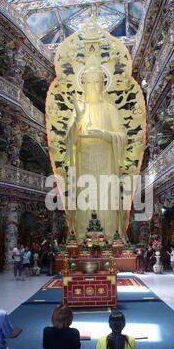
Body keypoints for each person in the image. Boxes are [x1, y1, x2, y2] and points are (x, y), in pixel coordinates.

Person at [66, 56, 127, 241]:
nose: (93, 86)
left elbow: (122, 135)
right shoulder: (79, 108)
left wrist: (104, 134)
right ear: (83, 84)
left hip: (106, 163)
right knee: (85, 202)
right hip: (85, 163)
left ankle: (110, 238)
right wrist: (78, 117)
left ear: (103, 84)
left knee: (106, 202)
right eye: (89, 82)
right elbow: (69, 140)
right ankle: (82, 240)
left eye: (97, 82)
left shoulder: (110, 109)